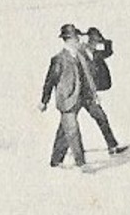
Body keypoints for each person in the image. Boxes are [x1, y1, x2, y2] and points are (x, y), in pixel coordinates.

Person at [39, 23, 95, 169]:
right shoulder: (59, 59)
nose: (79, 41)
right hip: (67, 100)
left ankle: (56, 160)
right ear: (69, 40)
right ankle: (81, 163)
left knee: (64, 131)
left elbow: (87, 76)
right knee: (73, 131)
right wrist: (44, 101)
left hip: (82, 98)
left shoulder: (80, 56)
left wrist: (93, 94)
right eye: (77, 39)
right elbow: (50, 80)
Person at [82, 26, 127, 155]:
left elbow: (108, 52)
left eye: (97, 42)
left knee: (101, 118)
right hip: (80, 94)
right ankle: (60, 154)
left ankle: (112, 146)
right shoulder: (80, 54)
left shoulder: (95, 54)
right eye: (94, 42)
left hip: (89, 94)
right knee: (67, 124)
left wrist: (104, 41)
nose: (96, 45)